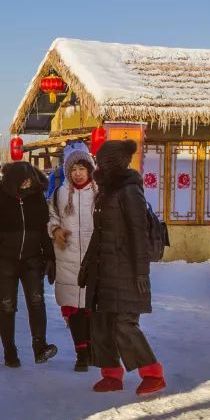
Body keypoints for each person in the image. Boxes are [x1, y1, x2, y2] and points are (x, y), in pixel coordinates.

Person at [78, 140, 165, 395]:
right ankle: (111, 373)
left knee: (124, 323)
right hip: (102, 267)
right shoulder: (106, 189)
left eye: (102, 158)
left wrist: (141, 272)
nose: (98, 161)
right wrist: (86, 266)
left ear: (114, 161)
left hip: (125, 267)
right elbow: (99, 232)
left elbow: (139, 234)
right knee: (101, 321)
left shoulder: (129, 190)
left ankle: (152, 372)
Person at [0, 162, 59, 368]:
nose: (28, 184)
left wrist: (50, 256)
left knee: (36, 301)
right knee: (7, 305)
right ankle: (10, 352)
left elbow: (44, 230)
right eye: (23, 180)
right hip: (4, 261)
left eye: (30, 180)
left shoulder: (37, 198)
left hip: (32, 260)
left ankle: (40, 347)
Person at [48, 142, 96, 372]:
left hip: (93, 258)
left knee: (91, 308)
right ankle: (81, 354)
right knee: (73, 308)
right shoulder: (60, 193)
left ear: (89, 169)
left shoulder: (98, 192)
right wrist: (55, 230)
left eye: (81, 169)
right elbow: (52, 217)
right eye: (73, 170)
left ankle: (93, 349)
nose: (77, 174)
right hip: (67, 257)